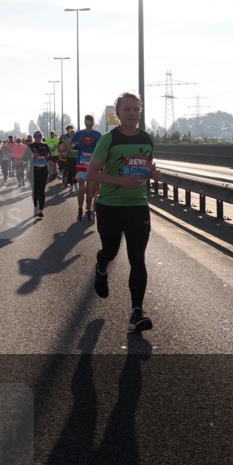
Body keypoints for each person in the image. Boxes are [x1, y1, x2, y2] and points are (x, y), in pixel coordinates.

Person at [84, 92, 159, 333]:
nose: (132, 113)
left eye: (136, 109)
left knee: (138, 259)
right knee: (111, 250)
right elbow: (92, 173)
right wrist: (120, 181)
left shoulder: (147, 139)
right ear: (118, 114)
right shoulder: (109, 139)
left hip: (138, 206)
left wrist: (153, 173)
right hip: (110, 206)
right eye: (127, 109)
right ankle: (101, 265)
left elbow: (146, 166)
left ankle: (137, 312)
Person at [74, 115, 103, 222]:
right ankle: (80, 209)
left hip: (93, 166)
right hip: (81, 165)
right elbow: (70, 144)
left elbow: (102, 148)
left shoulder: (97, 135)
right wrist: (69, 148)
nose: (88, 122)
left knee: (90, 191)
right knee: (81, 189)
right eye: (87, 120)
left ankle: (89, 211)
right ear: (84, 121)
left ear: (93, 122)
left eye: (90, 120)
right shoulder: (79, 133)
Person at [27, 130, 53, 218]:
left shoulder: (45, 145)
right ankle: (35, 207)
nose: (38, 138)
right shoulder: (30, 146)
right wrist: (32, 156)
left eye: (39, 136)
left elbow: (50, 156)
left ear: (42, 137)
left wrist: (48, 156)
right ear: (34, 137)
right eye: (36, 136)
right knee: (35, 191)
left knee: (42, 191)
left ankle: (41, 210)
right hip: (33, 171)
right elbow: (24, 158)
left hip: (43, 170)